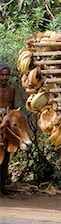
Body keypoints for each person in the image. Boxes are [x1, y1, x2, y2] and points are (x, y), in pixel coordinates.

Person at [0, 63, 16, 195]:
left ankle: (2, 185)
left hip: (7, 120)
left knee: (6, 153)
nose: (4, 77)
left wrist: (7, 117)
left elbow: (13, 106)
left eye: (6, 75)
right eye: (2, 75)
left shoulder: (12, 89)